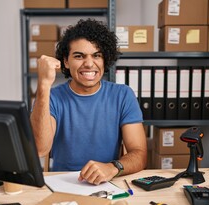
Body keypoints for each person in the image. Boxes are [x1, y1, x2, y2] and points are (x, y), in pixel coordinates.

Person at [31, 18, 147, 185]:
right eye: (79, 56)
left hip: (108, 183)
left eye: (96, 55)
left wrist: (112, 168)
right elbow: (40, 149)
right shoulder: (51, 97)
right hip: (63, 184)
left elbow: (140, 154)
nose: (89, 64)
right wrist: (43, 85)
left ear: (104, 59)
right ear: (66, 61)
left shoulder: (123, 95)